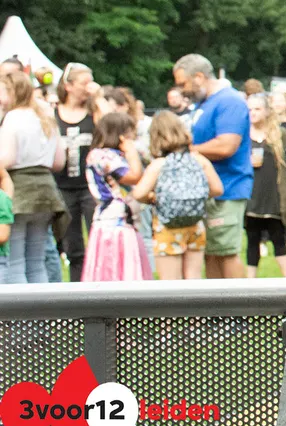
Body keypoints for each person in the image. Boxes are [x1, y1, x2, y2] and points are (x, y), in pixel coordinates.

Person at [173, 54, 253, 280]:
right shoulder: (204, 104)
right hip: (209, 190)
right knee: (211, 253)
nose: (182, 90)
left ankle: (240, 303)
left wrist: (187, 151)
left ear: (199, 77)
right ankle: (218, 303)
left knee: (226, 252)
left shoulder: (229, 101)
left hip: (227, 188)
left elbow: (227, 145)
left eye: (183, 84)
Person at [130, 111, 222, 280]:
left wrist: (153, 198)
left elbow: (138, 193)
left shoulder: (159, 164)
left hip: (167, 227)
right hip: (195, 224)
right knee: (193, 277)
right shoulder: (198, 160)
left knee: (171, 282)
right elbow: (217, 189)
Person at [0, 73, 66, 283]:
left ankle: (18, 306)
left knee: (15, 261)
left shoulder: (13, 117)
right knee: (37, 261)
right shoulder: (45, 115)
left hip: (20, 190)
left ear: (12, 92)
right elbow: (59, 161)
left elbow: (8, 157)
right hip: (46, 191)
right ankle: (41, 305)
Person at [54, 63, 111, 281]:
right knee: (73, 245)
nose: (88, 87)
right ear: (68, 86)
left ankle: (102, 285)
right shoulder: (53, 113)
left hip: (90, 186)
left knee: (100, 239)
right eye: (84, 83)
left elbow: (111, 126)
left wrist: (98, 97)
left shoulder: (93, 112)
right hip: (62, 186)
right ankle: (76, 288)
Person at [81, 113, 150, 281]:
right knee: (112, 271)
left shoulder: (116, 155)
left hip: (126, 221)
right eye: (130, 133)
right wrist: (131, 153)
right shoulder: (101, 156)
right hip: (112, 222)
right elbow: (133, 176)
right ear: (120, 134)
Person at [244, 93, 286, 278]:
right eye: (250, 109)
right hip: (251, 196)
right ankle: (249, 284)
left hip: (274, 196)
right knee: (252, 240)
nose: (253, 113)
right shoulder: (243, 135)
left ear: (266, 111)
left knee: (278, 238)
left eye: (257, 109)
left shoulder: (279, 134)